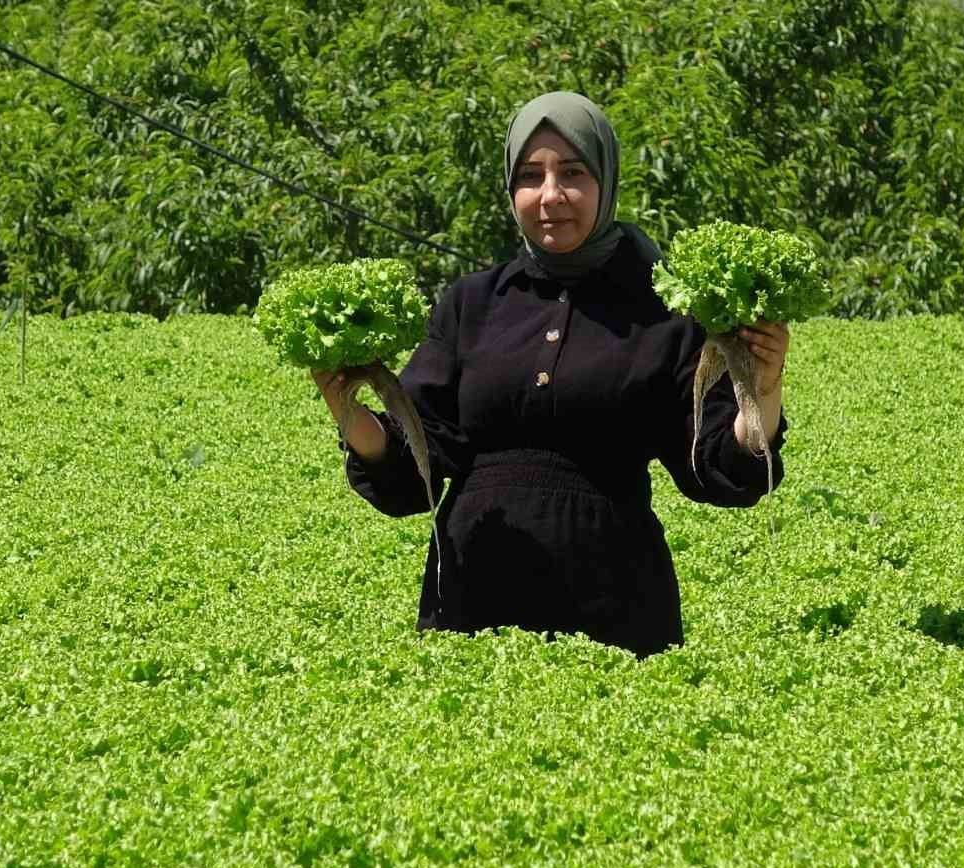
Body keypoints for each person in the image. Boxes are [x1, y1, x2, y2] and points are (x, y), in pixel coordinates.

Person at [312, 91, 792, 658]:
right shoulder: (472, 303)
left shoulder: (664, 308)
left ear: (606, 181)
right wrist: (348, 410)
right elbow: (416, 462)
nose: (550, 196)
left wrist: (763, 387)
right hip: (472, 596)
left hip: (614, 602)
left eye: (571, 173)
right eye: (530, 176)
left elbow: (716, 467)